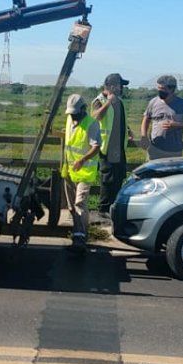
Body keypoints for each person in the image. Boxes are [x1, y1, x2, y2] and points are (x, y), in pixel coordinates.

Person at [60, 93, 101, 251]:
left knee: (80, 204)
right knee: (72, 206)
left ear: (83, 109)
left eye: (75, 113)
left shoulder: (92, 124)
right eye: (71, 113)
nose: (73, 115)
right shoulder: (70, 119)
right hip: (70, 170)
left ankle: (81, 238)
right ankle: (77, 235)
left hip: (84, 171)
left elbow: (96, 147)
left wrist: (82, 160)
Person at [91, 73, 133, 215]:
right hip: (107, 146)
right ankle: (103, 209)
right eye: (121, 85)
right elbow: (96, 116)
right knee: (108, 179)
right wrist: (108, 102)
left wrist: (128, 130)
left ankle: (113, 208)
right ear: (113, 86)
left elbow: (118, 119)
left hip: (119, 146)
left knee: (119, 176)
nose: (122, 88)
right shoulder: (99, 100)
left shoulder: (119, 101)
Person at [140, 75, 183, 160]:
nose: (160, 91)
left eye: (163, 89)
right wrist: (144, 136)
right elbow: (146, 120)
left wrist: (176, 125)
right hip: (155, 149)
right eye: (159, 88)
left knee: (173, 173)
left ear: (172, 89)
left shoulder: (181, 103)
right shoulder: (153, 102)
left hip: (174, 150)